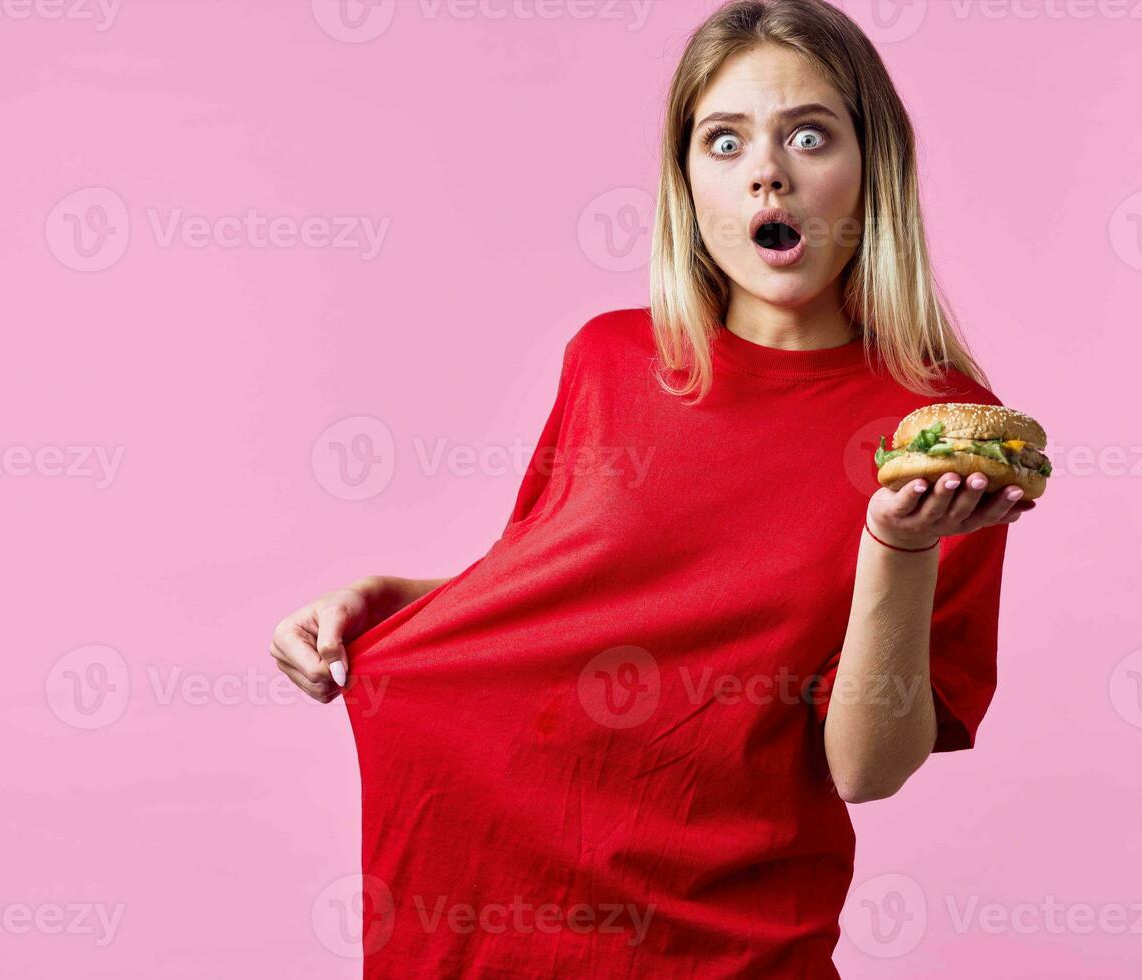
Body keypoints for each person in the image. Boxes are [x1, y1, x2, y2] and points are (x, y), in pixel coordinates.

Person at [269, 1, 1038, 975]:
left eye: (810, 133)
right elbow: (551, 612)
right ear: (687, 183)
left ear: (873, 166)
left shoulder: (942, 433)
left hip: (736, 944)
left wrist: (900, 543)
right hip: (506, 932)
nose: (768, 168)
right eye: (724, 141)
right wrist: (385, 602)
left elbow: (866, 767)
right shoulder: (611, 359)